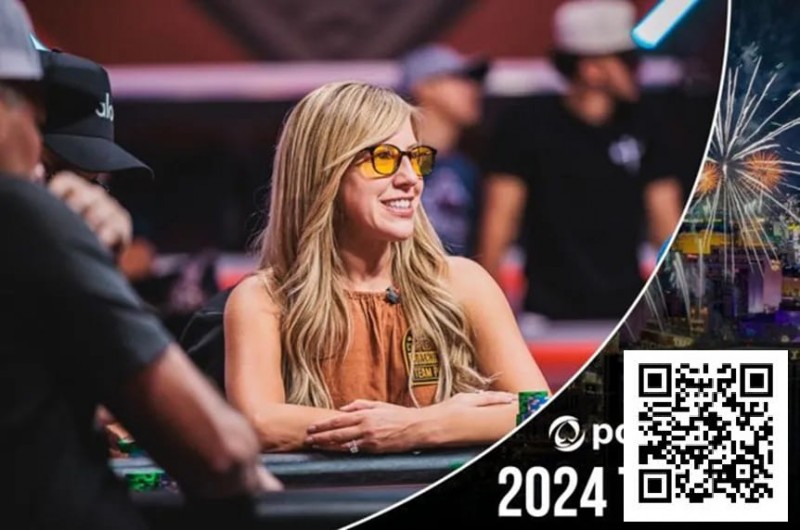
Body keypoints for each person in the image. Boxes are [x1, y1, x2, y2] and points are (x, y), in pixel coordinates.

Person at [0, 3, 281, 529]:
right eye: (58, 168)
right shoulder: (26, 217)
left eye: (98, 184)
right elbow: (222, 452)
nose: (83, 198)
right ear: (18, 104)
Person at [224, 80, 551, 454]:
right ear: (324, 174)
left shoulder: (463, 283)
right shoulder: (265, 299)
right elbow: (259, 423)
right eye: (384, 158)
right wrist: (402, 426)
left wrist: (420, 427)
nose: (411, 178)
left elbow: (539, 411)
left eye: (416, 158)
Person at [478, 0, 684, 321]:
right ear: (591, 69)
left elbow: (666, 223)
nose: (639, 69)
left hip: (626, 312)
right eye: (628, 60)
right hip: (546, 316)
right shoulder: (526, 124)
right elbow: (500, 221)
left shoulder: (646, 123)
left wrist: (681, 307)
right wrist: (490, 316)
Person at [398, 44, 489, 257]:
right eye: (460, 78)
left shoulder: (469, 168)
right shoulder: (393, 164)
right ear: (425, 87)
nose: (473, 89)